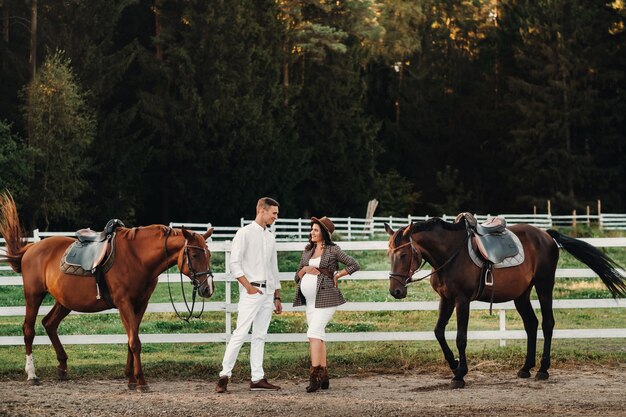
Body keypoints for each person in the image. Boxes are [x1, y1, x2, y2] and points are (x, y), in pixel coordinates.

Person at [215, 197, 283, 393]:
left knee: (260, 336)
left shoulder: (270, 237)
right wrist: (249, 287)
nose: (276, 217)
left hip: (268, 292)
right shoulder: (243, 233)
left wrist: (277, 296)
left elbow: (273, 268)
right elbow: (234, 263)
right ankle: (224, 375)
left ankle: (257, 378)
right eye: (274, 213)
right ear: (262, 210)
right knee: (240, 333)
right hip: (251, 291)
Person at [293, 216, 360, 392]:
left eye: (316, 230)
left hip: (327, 297)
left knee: (313, 333)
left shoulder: (333, 249)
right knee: (319, 335)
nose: (312, 232)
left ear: (324, 232)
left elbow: (354, 264)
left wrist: (337, 275)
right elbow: (296, 276)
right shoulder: (307, 250)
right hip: (310, 301)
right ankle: (324, 377)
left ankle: (314, 376)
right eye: (312, 229)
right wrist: (305, 270)